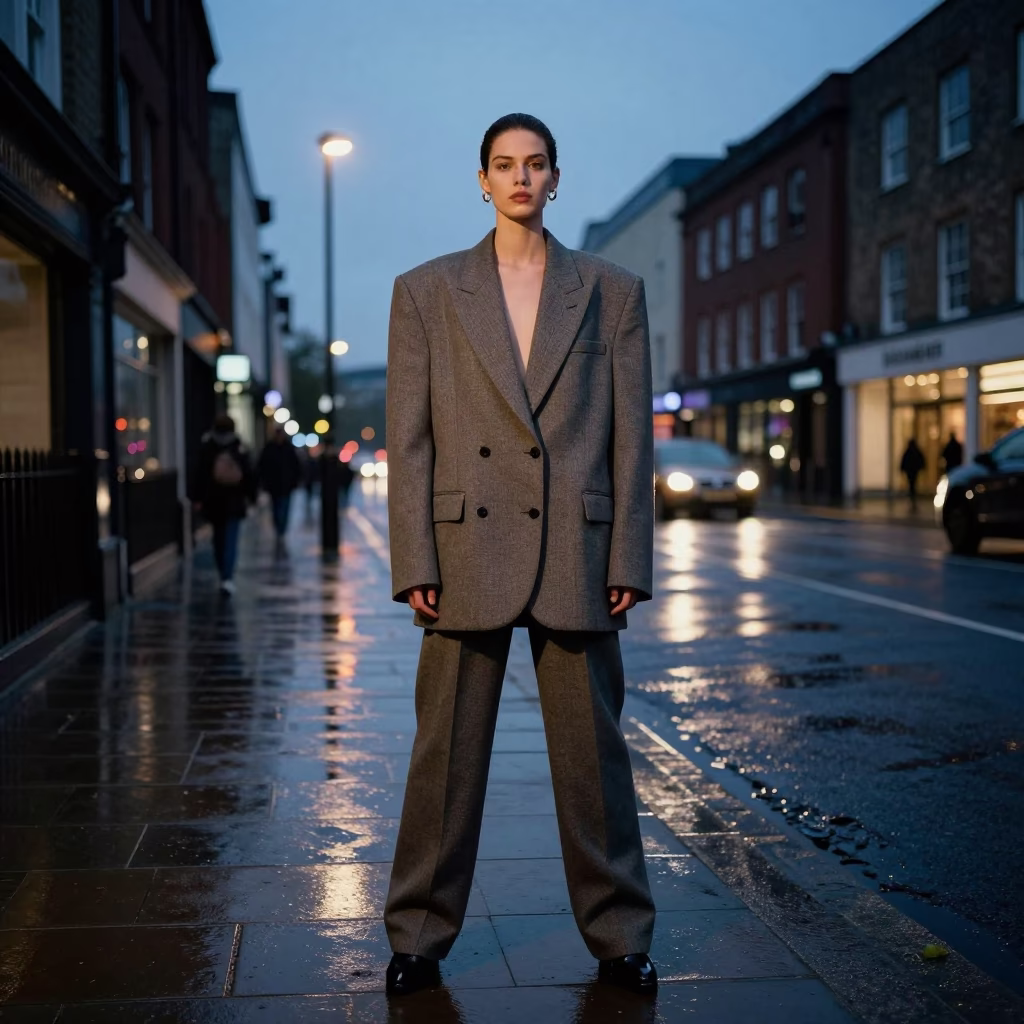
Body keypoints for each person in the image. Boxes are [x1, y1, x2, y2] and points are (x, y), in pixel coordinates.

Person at [383, 113, 656, 997]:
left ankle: (620, 935)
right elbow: (409, 440)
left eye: (535, 164)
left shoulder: (612, 291)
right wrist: (414, 561)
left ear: (556, 178)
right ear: (482, 180)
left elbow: (631, 440)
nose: (521, 178)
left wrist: (629, 557)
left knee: (596, 762)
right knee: (444, 758)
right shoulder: (426, 291)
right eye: (504, 165)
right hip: (465, 547)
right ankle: (417, 936)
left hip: (578, 548)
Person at [195, 414, 255, 595]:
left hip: (214, 501)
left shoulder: (208, 447)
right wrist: (251, 496)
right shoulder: (238, 447)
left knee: (219, 538)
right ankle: (227, 576)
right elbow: (248, 474)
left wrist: (198, 498)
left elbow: (200, 474)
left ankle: (223, 571)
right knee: (230, 539)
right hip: (234, 500)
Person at [257, 426, 302, 544]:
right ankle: (279, 528)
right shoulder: (270, 448)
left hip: (286, 485)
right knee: (276, 508)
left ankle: (281, 529)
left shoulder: (288, 448)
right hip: (274, 485)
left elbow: (296, 465)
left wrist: (295, 480)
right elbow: (262, 466)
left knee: (284, 508)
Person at [900, 437, 926, 506]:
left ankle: (912, 492)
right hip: (914, 470)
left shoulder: (908, 451)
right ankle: (912, 492)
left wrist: (902, 469)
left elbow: (904, 461)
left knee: (911, 482)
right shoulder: (916, 451)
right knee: (913, 482)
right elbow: (921, 459)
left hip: (910, 470)